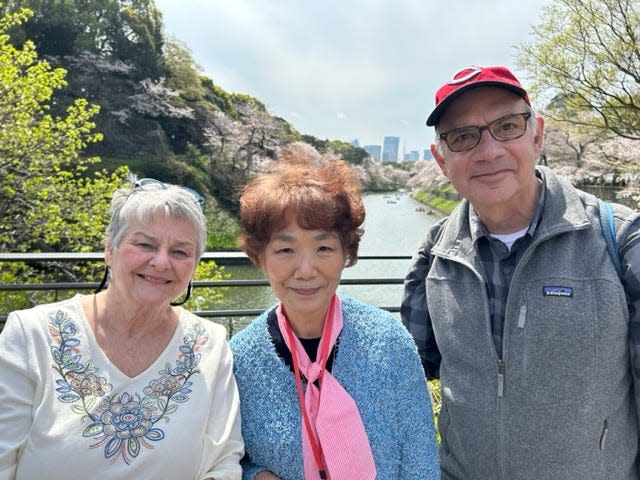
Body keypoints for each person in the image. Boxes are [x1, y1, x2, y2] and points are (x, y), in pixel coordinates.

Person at [402, 64, 640, 480]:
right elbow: (411, 371)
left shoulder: (620, 239)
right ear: (440, 159)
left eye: (507, 126)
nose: (489, 150)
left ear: (537, 134)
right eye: (462, 136)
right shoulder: (433, 256)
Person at [0, 176, 244, 480]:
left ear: (194, 265)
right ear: (109, 249)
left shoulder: (210, 345)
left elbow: (223, 463)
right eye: (145, 244)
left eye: (180, 251)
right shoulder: (31, 334)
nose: (161, 261)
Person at [229, 142, 439, 480]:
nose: (306, 269)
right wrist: (253, 475)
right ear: (260, 257)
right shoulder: (239, 358)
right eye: (285, 249)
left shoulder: (388, 341)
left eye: (324, 247)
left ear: (347, 254)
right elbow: (228, 458)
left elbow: (420, 458)